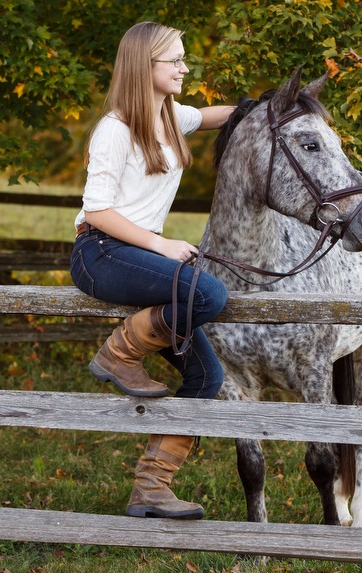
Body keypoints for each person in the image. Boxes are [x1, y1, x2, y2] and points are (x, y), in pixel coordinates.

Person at [70, 21, 234, 520]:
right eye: (175, 60)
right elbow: (97, 211)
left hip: (135, 258)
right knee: (207, 294)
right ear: (146, 66)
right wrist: (161, 245)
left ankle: (151, 488)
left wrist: (265, 110)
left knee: (207, 376)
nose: (185, 68)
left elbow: (212, 116)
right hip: (100, 253)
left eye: (184, 59)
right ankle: (119, 354)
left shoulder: (170, 116)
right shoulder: (115, 129)